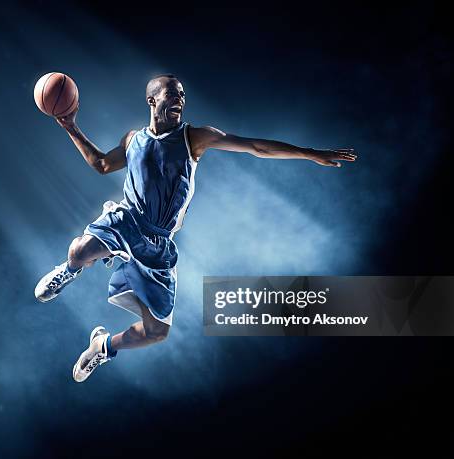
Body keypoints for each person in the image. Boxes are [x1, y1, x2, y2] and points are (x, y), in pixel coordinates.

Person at [34, 74, 357, 382]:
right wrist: (70, 126)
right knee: (81, 249)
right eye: (172, 93)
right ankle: (69, 269)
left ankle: (102, 347)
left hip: (159, 242)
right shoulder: (133, 139)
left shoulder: (195, 137)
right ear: (152, 99)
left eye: (183, 95)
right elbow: (102, 165)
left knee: (156, 333)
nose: (179, 99)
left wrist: (310, 153)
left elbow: (255, 147)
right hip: (129, 219)